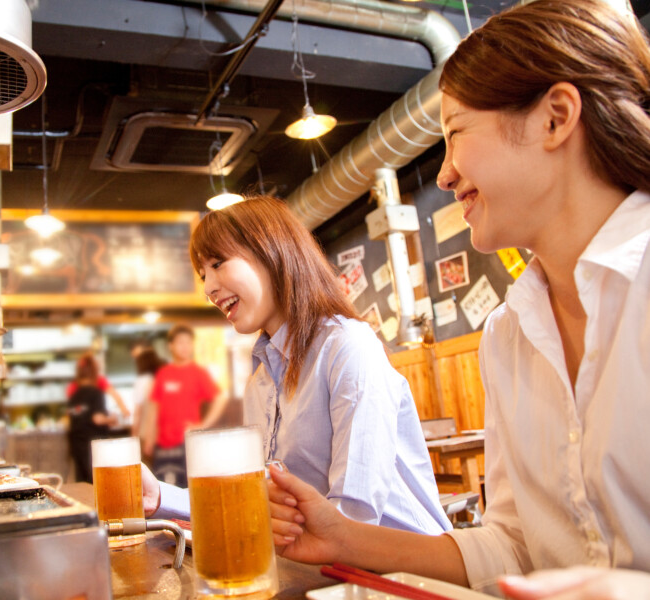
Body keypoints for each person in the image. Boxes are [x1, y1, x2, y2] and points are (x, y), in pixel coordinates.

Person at [266, 0, 650, 597]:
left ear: (555, 119)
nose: (444, 175)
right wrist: (343, 538)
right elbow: (514, 546)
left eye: (456, 134)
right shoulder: (507, 334)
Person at [143, 196, 450, 536]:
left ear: (271, 251)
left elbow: (354, 515)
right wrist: (161, 497)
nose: (209, 289)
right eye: (203, 275)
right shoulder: (260, 380)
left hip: (403, 561)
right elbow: (257, 500)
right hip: (323, 557)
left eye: (218, 263)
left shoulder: (347, 346)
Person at [145, 324, 229, 487]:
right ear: (171, 346)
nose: (185, 347)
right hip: (162, 444)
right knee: (163, 489)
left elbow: (220, 398)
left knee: (188, 490)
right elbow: (154, 407)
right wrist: (149, 437)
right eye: (180, 342)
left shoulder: (198, 372)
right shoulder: (163, 373)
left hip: (188, 443)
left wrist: (203, 425)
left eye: (188, 342)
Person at [65, 353, 120, 482]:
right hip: (94, 446)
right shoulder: (96, 394)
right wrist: (112, 419)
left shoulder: (74, 396)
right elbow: (97, 419)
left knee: (82, 481)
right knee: (97, 481)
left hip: (77, 444)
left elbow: (72, 416)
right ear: (95, 373)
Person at [130, 347, 166, 462]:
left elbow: (138, 412)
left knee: (147, 468)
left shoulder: (142, 381)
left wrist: (133, 435)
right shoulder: (163, 379)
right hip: (165, 435)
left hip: (146, 434)